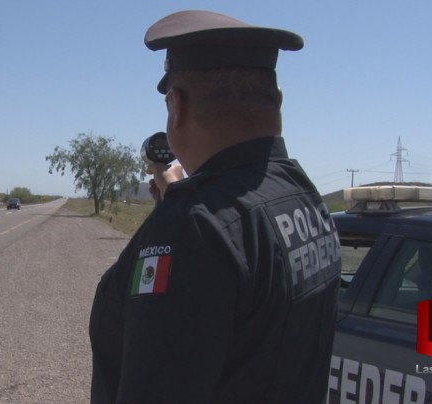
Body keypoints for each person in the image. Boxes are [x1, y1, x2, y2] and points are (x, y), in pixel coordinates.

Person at [89, 10, 342, 404]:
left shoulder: (193, 226)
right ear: (277, 101)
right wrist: (182, 200)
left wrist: (181, 213)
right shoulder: (301, 193)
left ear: (176, 105)